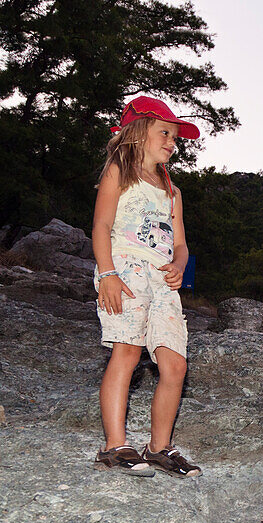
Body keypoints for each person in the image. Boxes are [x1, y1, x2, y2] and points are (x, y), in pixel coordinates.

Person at [91, 96, 201, 477]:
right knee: (127, 351)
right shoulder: (120, 171)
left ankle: (159, 448)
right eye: (165, 133)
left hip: (162, 281)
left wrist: (180, 265)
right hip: (125, 269)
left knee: (175, 364)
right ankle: (114, 446)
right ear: (138, 134)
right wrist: (107, 274)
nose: (173, 142)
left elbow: (181, 243)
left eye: (175, 137)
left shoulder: (173, 191)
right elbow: (101, 226)